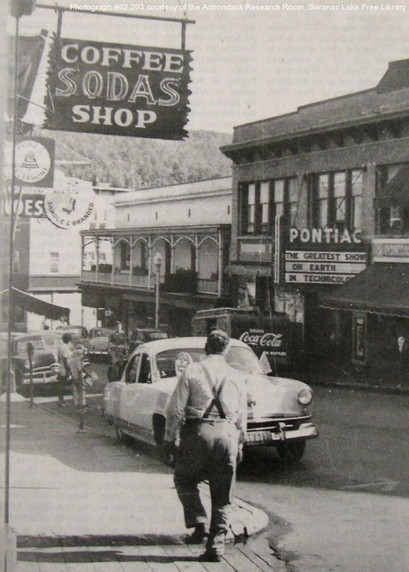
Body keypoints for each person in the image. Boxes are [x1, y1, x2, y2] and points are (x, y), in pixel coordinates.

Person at [164, 330, 248, 563]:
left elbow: (175, 409)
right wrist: (240, 443)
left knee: (183, 478)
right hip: (227, 435)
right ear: (226, 349)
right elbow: (242, 416)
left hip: (196, 434)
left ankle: (198, 522)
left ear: (206, 347)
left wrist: (170, 438)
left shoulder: (192, 371)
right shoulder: (236, 376)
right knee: (223, 494)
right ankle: (216, 546)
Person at [69, 342, 87, 408]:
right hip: (79, 377)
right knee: (82, 390)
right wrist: (80, 378)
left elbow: (70, 368)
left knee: (75, 390)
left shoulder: (72, 359)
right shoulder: (78, 359)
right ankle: (82, 403)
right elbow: (79, 369)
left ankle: (76, 403)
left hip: (74, 376)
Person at [57, 333, 72, 407]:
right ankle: (61, 402)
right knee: (62, 386)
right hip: (64, 368)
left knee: (61, 385)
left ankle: (61, 401)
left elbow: (59, 358)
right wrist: (68, 369)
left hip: (60, 367)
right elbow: (65, 359)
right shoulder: (65, 347)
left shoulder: (60, 347)